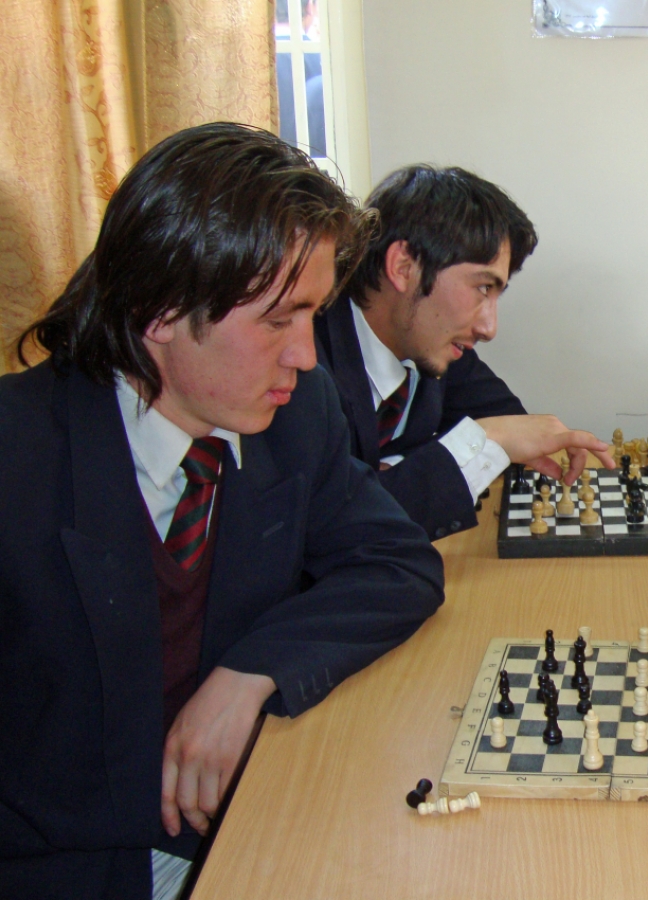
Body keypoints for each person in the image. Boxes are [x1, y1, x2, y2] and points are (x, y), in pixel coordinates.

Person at [1, 123, 445, 900]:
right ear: (159, 311)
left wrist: (249, 673)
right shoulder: (19, 456)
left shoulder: (294, 417)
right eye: (279, 319)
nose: (307, 355)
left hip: (247, 831)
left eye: (314, 314)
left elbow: (398, 562)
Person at [315, 165, 613, 541]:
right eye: (482, 288)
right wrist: (485, 441)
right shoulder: (302, 364)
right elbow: (337, 529)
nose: (489, 328)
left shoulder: (430, 342)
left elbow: (515, 426)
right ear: (404, 268)